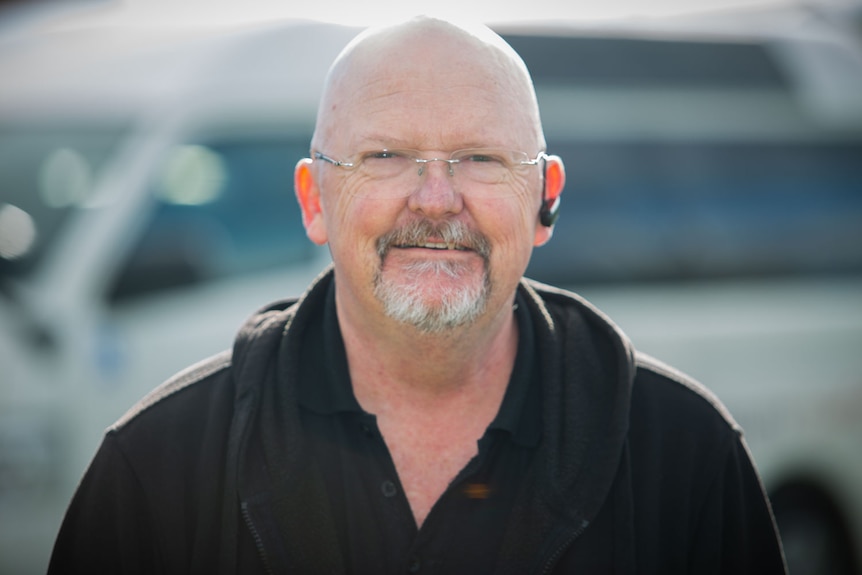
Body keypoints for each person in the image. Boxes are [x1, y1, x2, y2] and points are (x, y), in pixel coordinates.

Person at [48, 15, 787, 574]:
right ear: (314, 200)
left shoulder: (685, 459)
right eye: (387, 155)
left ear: (545, 198)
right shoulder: (156, 470)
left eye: (479, 157)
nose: (436, 199)